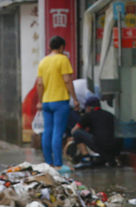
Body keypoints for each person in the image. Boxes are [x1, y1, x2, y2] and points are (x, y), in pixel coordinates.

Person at [35, 35, 79, 172]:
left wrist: (40, 101)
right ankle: (59, 164)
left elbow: (40, 84)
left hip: (47, 102)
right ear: (61, 47)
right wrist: (75, 99)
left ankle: (49, 164)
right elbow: (67, 80)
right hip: (60, 101)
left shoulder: (43, 62)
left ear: (50, 47)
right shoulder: (63, 59)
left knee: (47, 131)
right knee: (57, 132)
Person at [71, 95, 116, 169]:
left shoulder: (88, 115)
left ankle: (86, 159)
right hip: (115, 147)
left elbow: (74, 130)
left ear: (89, 107)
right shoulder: (110, 115)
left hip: (100, 145)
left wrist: (72, 138)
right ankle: (109, 160)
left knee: (77, 133)